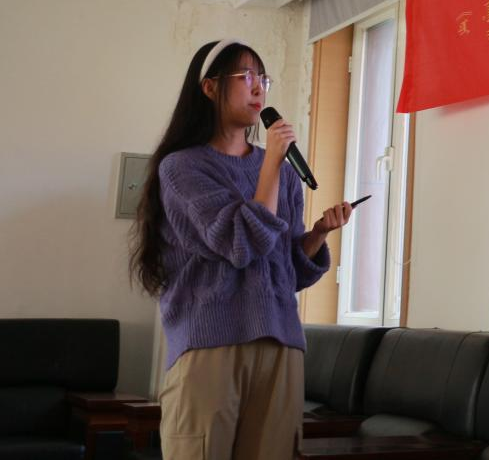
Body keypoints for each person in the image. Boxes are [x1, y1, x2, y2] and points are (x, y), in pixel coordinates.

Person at [129, 38, 352, 459]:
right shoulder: (182, 167)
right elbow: (239, 244)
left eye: (263, 78)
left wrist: (318, 234)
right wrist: (271, 166)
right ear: (210, 87)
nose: (258, 87)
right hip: (211, 342)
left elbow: (287, 271)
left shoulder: (284, 173)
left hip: (281, 342)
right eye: (246, 75)